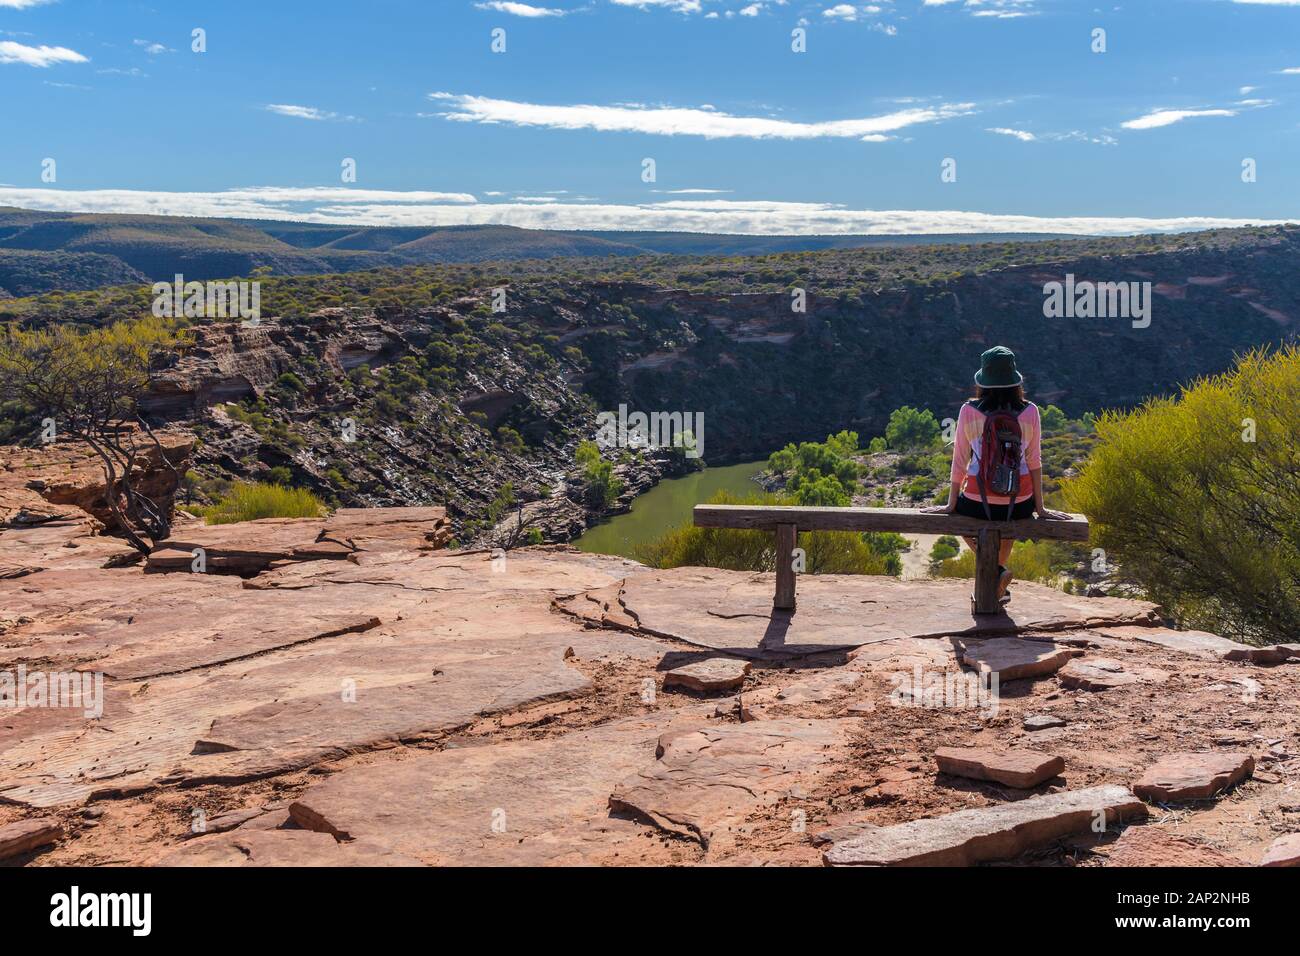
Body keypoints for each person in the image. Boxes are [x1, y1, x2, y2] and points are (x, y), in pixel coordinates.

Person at [923, 346, 1071, 603]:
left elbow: (960, 459)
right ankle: (997, 584)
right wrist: (1041, 507)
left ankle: (997, 573)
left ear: (984, 382)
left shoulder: (969, 411)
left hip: (978, 502)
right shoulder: (1030, 411)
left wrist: (951, 504)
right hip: (1020, 503)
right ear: (1015, 381)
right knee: (1007, 528)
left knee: (960, 518)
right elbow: (1034, 461)